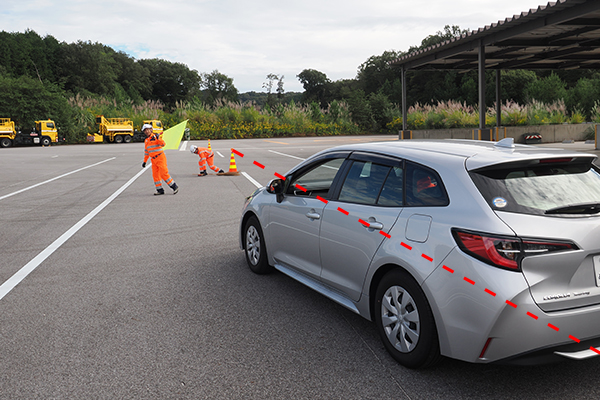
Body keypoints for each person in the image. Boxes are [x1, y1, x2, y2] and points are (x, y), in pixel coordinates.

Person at [141, 124, 179, 195]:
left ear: (151, 129)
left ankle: (174, 186)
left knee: (163, 173)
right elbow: (146, 152)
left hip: (160, 157)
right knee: (155, 175)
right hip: (153, 159)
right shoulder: (146, 140)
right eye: (145, 131)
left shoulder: (155, 137)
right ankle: (160, 190)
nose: (146, 131)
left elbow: (163, 144)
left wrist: (158, 138)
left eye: (147, 130)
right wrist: (144, 161)